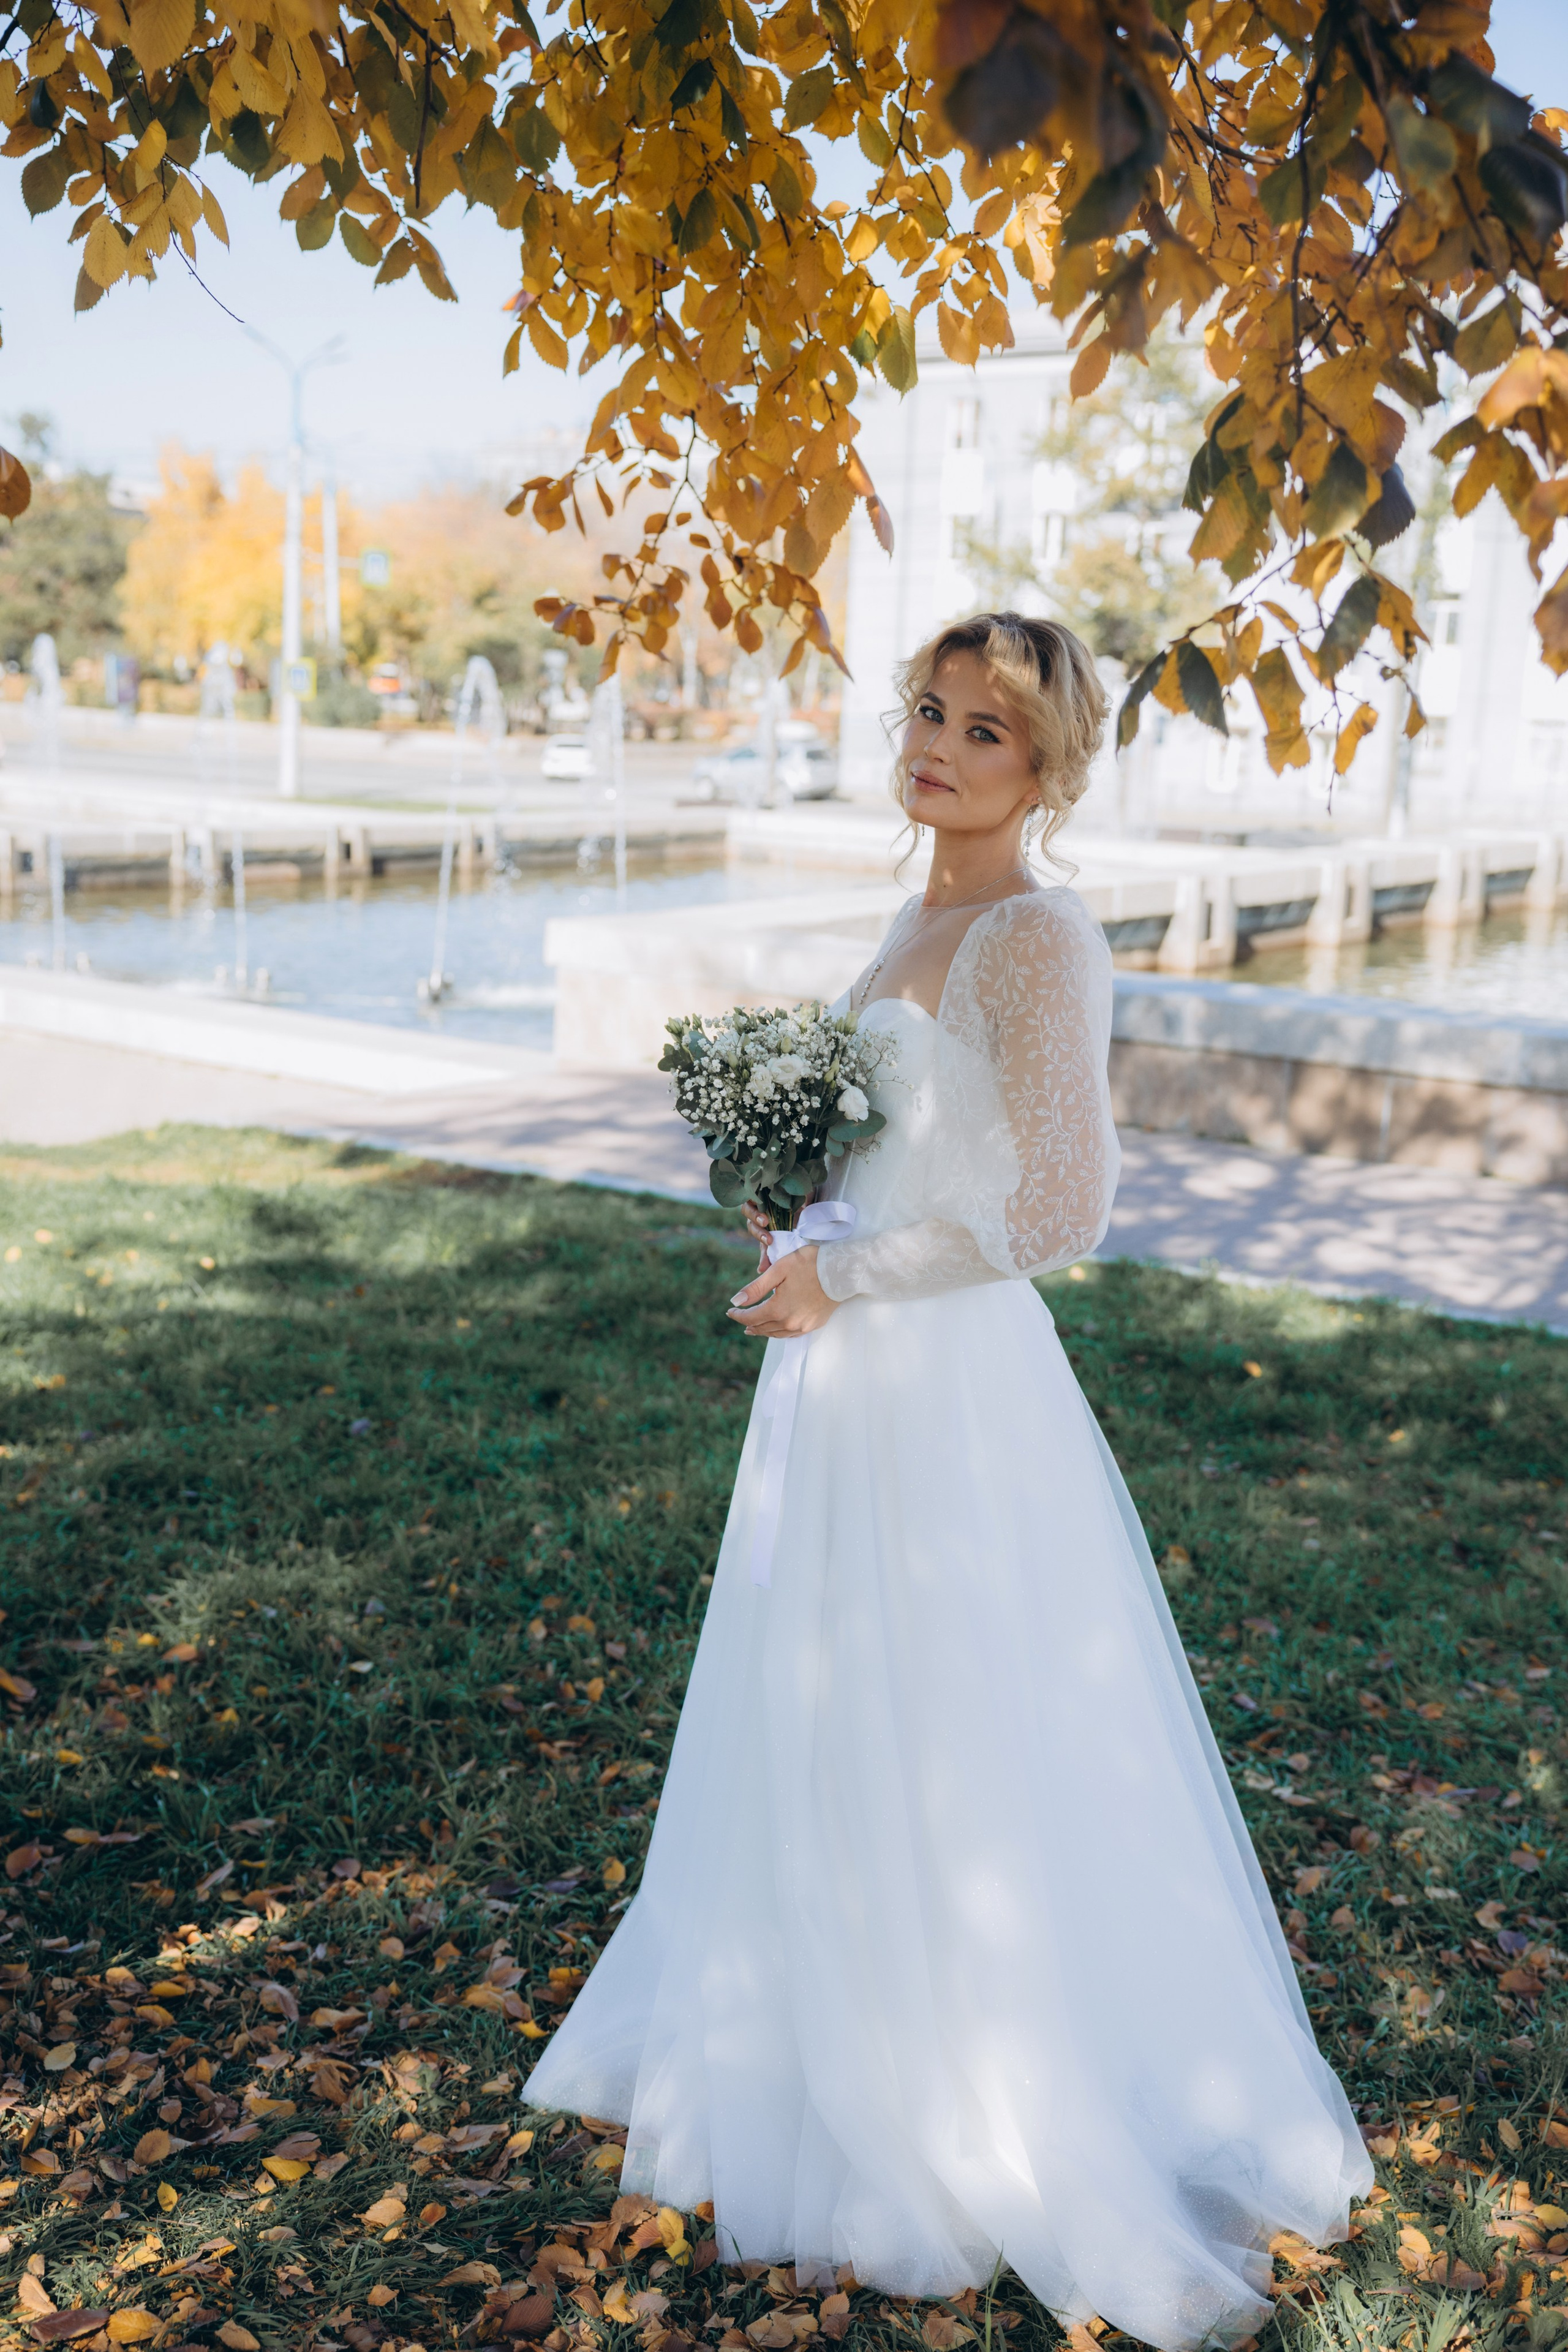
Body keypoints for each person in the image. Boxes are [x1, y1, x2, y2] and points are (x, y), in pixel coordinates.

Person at [522, 612, 1370, 2350]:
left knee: (957, 1717)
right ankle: (815, 2033)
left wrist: (858, 1274)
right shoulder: (916, 912)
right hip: (846, 1383)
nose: (940, 745)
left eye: (984, 731)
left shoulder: (1039, 937)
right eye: (927, 710)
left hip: (950, 1391)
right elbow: (914, 1150)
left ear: (1043, 771)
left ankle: (966, 2094)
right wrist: (800, 1211)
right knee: (829, 1708)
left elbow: (1064, 1208)